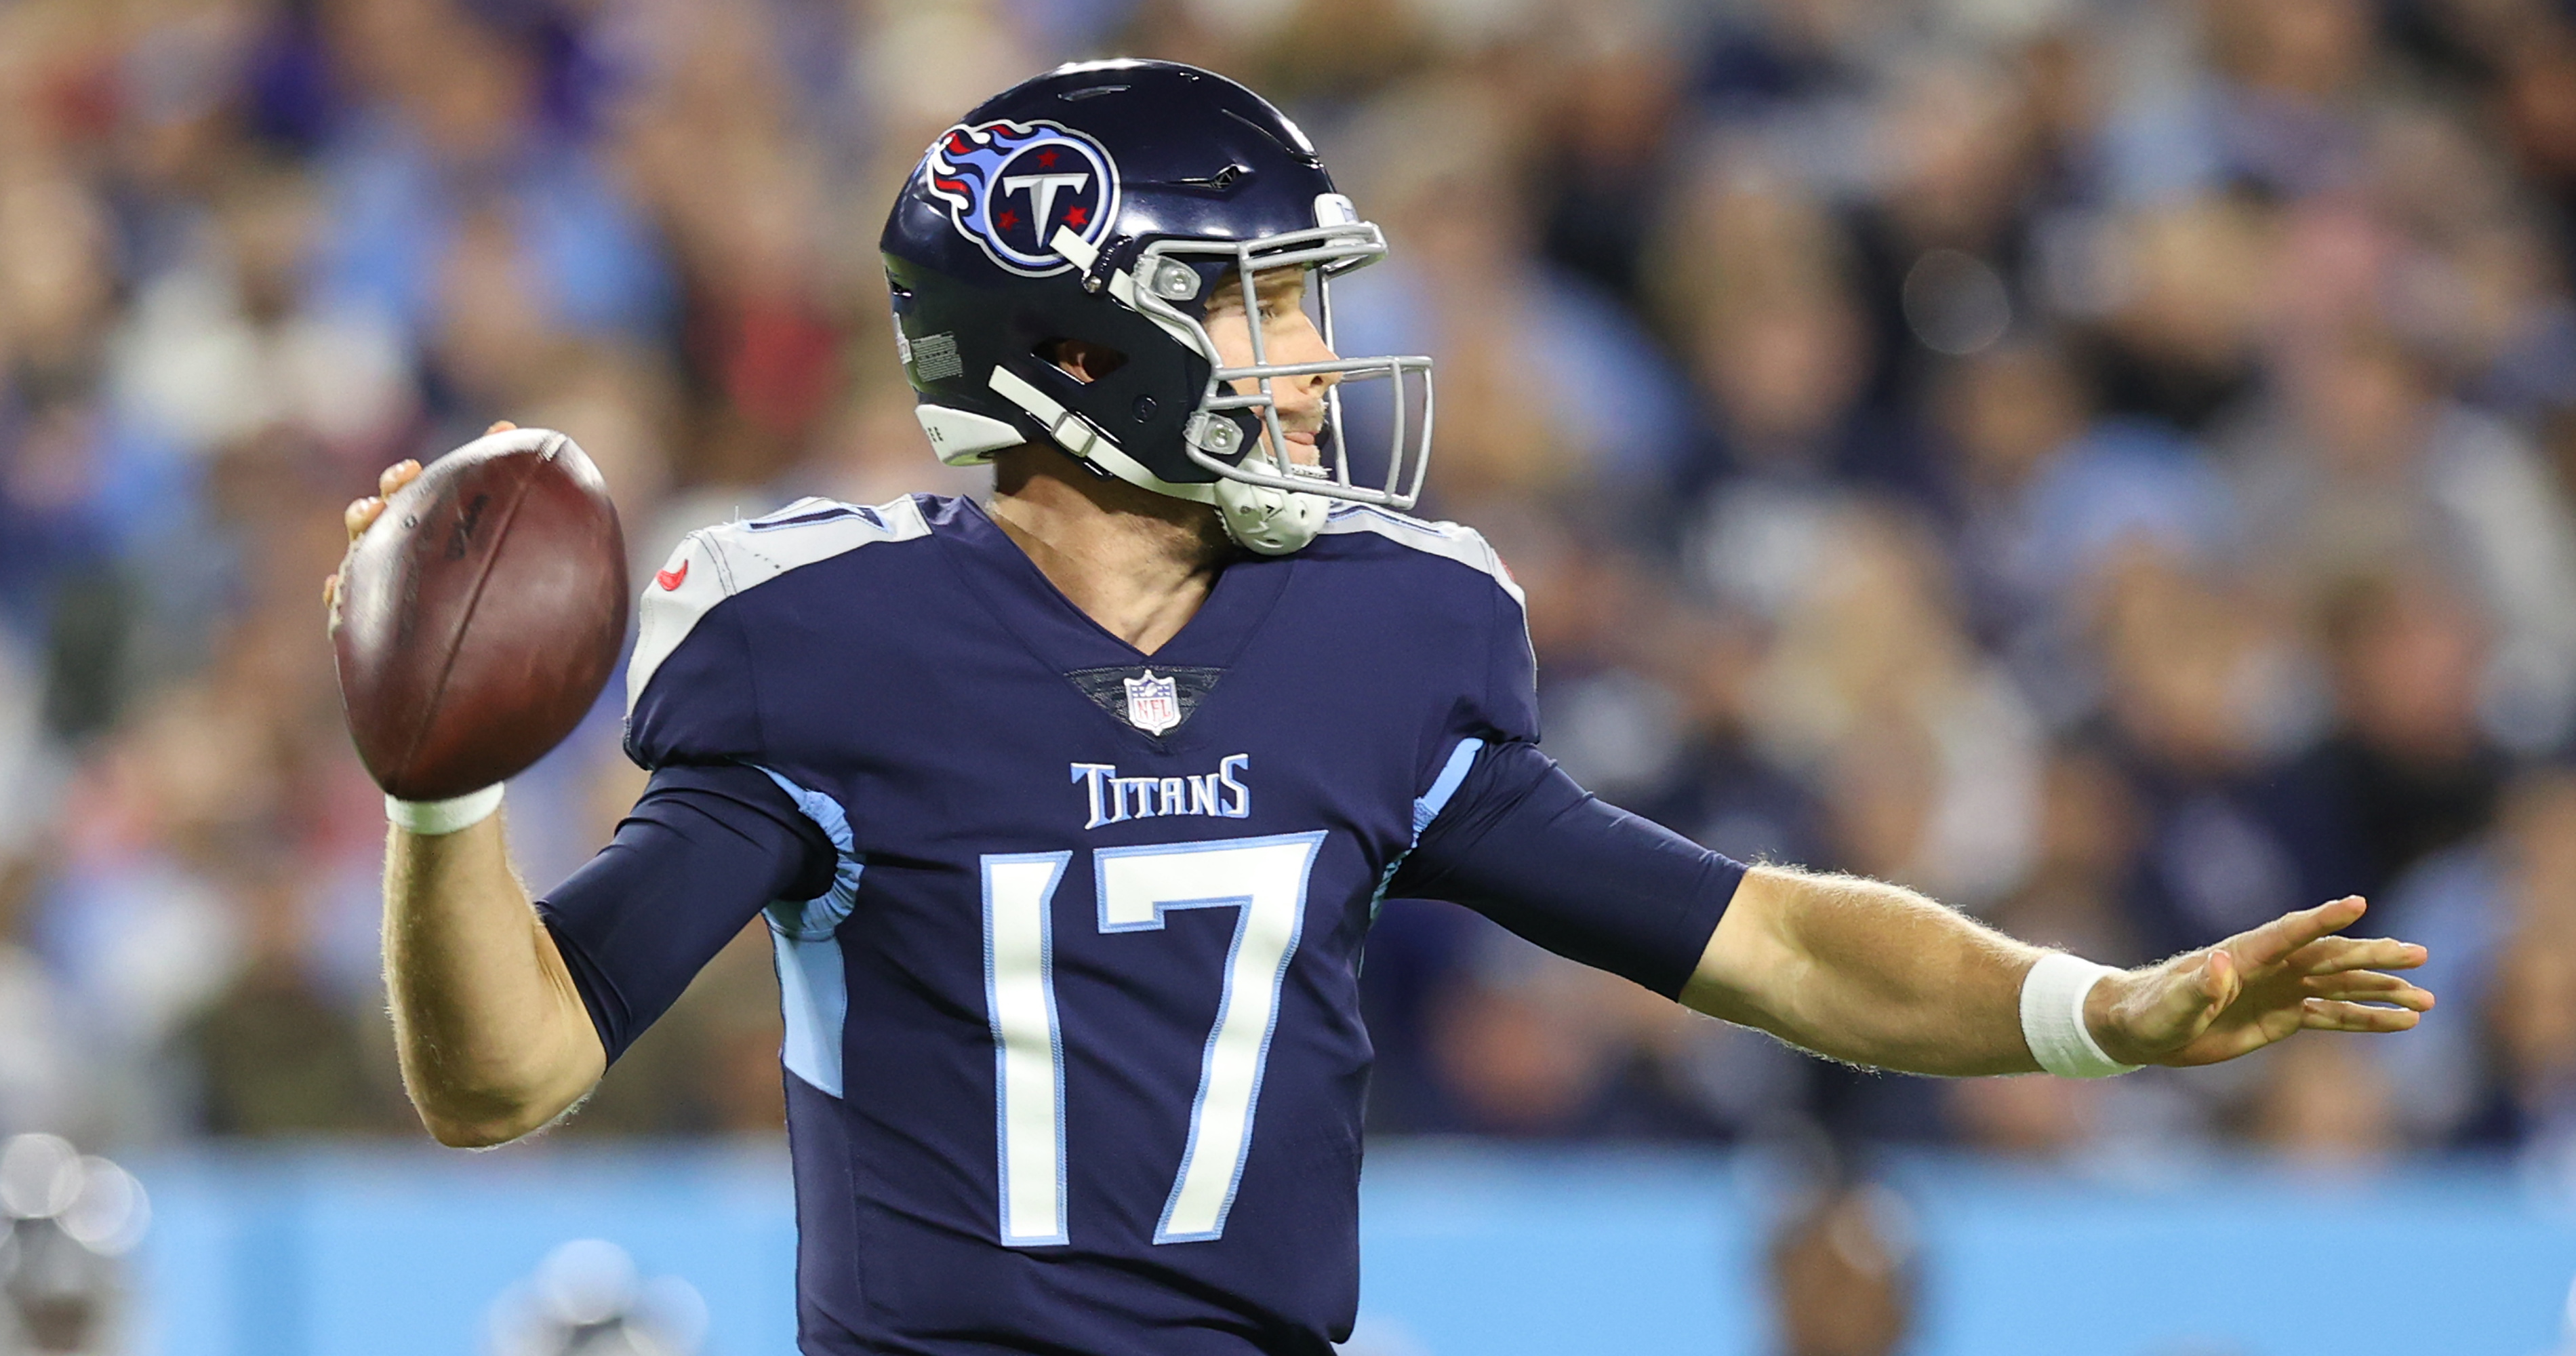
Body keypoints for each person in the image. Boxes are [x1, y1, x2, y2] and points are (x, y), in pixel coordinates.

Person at [326, 62, 2435, 1356]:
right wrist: (441, 810)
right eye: (1250, 306)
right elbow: (503, 1079)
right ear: (1073, 353)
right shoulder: (831, 642)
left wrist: (2095, 1010)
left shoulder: (1381, 630)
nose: (1311, 361)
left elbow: (1762, 932)